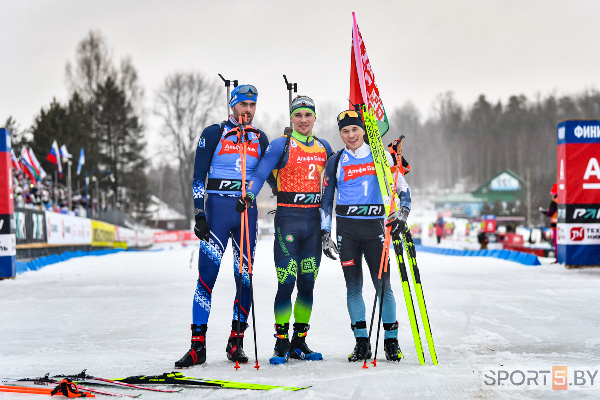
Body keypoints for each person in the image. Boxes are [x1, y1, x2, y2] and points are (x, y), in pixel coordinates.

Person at [175, 84, 273, 368]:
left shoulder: (260, 138)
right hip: (217, 212)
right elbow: (198, 176)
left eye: (252, 105)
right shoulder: (213, 132)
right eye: (243, 105)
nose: (248, 110)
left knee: (245, 279)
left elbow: (271, 178)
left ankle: (236, 341)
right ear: (233, 105)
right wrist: (199, 212)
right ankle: (197, 346)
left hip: (246, 212)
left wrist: (285, 151)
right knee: (206, 277)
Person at [237, 95, 333, 364]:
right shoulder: (281, 144)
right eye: (298, 115)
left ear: (315, 118)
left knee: (307, 283)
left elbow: (345, 171)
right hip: (288, 222)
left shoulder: (324, 147)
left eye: (308, 115)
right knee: (287, 281)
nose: (303, 120)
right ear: (292, 118)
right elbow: (258, 173)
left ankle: (299, 341)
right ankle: (281, 342)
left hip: (313, 224)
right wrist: (249, 195)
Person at [320, 110, 411, 362]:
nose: (351, 135)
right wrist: (325, 232)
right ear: (341, 134)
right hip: (347, 231)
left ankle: (391, 342)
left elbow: (403, 188)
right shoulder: (335, 161)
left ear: (363, 131)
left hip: (375, 229)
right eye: (345, 131)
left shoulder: (381, 156)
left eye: (355, 130)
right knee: (353, 287)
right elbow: (326, 201)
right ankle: (362, 343)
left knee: (384, 286)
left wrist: (403, 212)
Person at [539, 183, 558, 259]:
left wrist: (543, 211)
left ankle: (557, 259)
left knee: (556, 243)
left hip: (555, 226)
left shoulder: (554, 202)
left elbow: (550, 213)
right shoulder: (562, 200)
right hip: (562, 225)